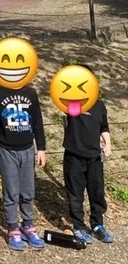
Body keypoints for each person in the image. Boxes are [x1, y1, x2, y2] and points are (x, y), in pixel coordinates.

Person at [0, 79, 47, 251]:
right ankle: (13, 228)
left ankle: (28, 225)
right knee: (11, 191)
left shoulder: (31, 93)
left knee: (28, 191)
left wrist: (41, 148)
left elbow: (38, 122)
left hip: (28, 148)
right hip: (6, 149)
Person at [62, 65, 114, 244]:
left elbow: (104, 126)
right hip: (74, 157)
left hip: (94, 157)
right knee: (75, 194)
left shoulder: (100, 105)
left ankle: (97, 224)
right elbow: (60, 93)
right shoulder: (73, 105)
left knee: (96, 192)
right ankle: (78, 226)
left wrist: (107, 143)